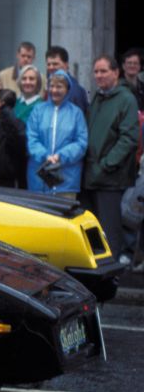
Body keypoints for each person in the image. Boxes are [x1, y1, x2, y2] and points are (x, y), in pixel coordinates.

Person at [82, 55, 140, 261]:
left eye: (103, 71)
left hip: (111, 178)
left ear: (116, 73)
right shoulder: (98, 97)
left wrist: (106, 165)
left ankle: (112, 275)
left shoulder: (126, 99)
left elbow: (129, 138)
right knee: (94, 230)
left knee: (110, 231)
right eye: (96, 71)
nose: (99, 75)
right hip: (91, 176)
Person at [25, 70, 86, 197]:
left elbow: (81, 143)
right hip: (39, 180)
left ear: (67, 89)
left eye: (59, 86)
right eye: (51, 86)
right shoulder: (38, 110)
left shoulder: (76, 113)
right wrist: (45, 155)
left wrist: (60, 156)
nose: (54, 90)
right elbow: (32, 138)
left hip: (67, 180)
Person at [45, 46, 89, 117]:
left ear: (66, 64)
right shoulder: (47, 85)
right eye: (48, 64)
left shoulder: (75, 90)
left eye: (55, 64)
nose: (51, 67)